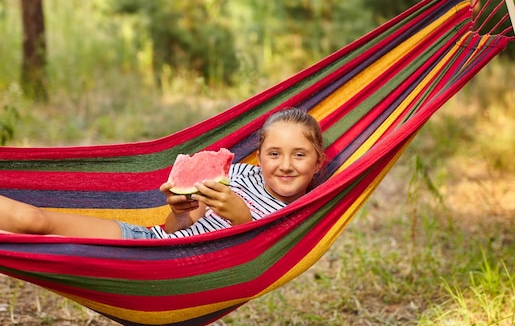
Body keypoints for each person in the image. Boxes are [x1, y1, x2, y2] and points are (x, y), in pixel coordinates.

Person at [0, 108, 325, 239]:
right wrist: (180, 210)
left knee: (36, 225)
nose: (285, 165)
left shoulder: (310, 208)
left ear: (318, 162)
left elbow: (262, 257)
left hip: (173, 271)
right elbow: (175, 228)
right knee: (35, 222)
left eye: (299, 154)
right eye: (274, 153)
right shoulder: (237, 174)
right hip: (149, 245)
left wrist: (242, 219)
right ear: (259, 156)